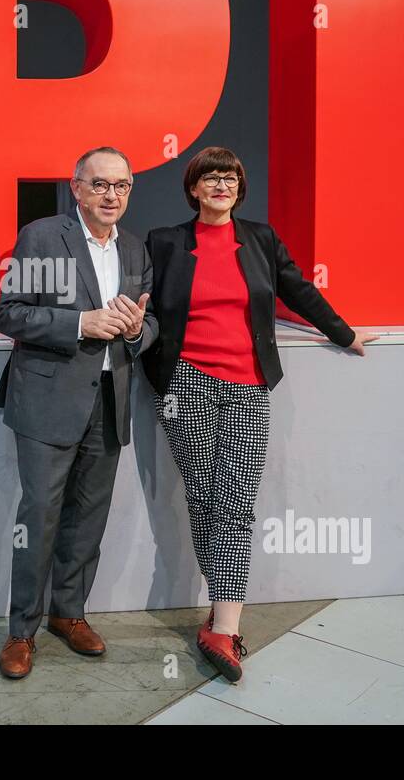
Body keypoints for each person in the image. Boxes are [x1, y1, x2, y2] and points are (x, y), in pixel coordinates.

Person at [141, 146, 375, 682]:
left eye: (230, 178)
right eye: (210, 178)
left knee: (236, 501)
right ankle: (220, 620)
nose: (221, 185)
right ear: (193, 188)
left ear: (239, 189)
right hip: (185, 384)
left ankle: (224, 624)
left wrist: (345, 333)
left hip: (249, 387)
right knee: (207, 497)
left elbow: (298, 291)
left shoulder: (261, 239)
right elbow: (146, 306)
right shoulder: (166, 242)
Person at [0, 146, 158, 679]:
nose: (112, 195)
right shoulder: (44, 236)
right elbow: (8, 313)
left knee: (89, 517)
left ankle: (70, 613)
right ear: (77, 188)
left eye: (122, 186)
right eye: (101, 184)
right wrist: (78, 325)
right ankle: (22, 631)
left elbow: (150, 325)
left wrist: (136, 330)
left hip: (110, 401)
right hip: (48, 402)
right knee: (38, 519)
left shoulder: (134, 249)